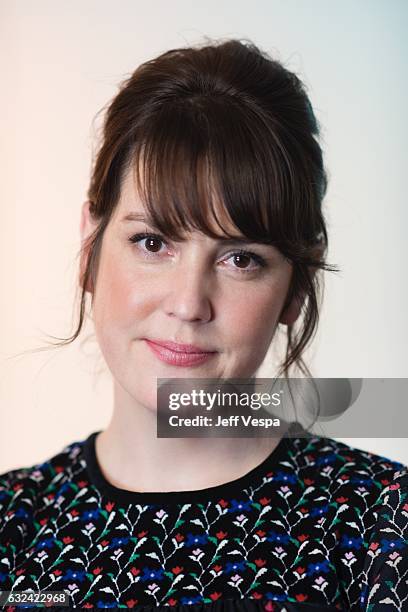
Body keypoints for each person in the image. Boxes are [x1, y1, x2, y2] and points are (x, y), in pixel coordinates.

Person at [0, 38, 407, 611]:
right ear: (91, 244)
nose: (189, 303)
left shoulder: (383, 527)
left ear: (294, 287)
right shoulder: (11, 526)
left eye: (241, 259)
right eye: (152, 242)